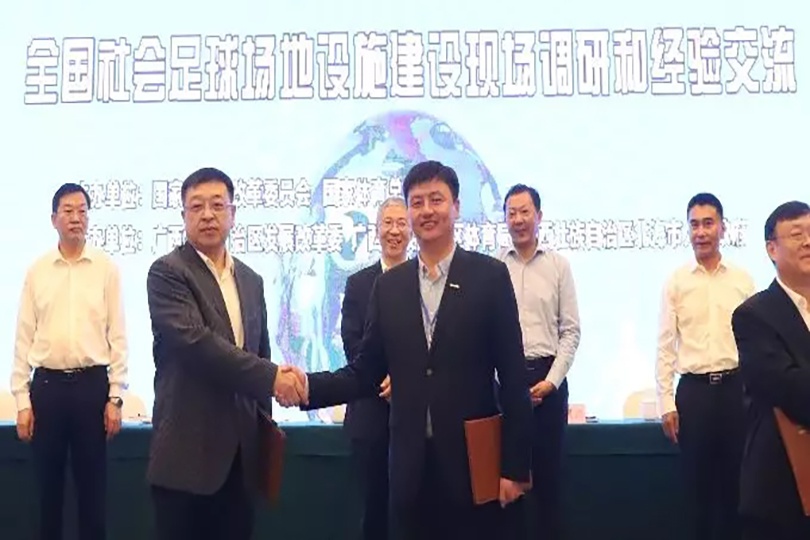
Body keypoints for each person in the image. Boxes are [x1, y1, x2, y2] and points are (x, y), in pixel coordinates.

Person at [280, 160, 533, 540]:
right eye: (417, 202)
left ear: (456, 207)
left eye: (436, 199)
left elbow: (513, 377)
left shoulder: (489, 277)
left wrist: (515, 468)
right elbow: (365, 372)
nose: (427, 210)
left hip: (472, 464)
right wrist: (308, 387)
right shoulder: (390, 287)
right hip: (409, 467)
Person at [145, 167, 304, 540]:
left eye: (217, 205)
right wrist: (273, 377)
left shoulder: (251, 280)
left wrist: (265, 427)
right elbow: (198, 345)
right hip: (186, 459)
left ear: (233, 213)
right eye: (196, 206)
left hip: (240, 461)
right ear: (183, 215)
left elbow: (259, 352)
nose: (207, 215)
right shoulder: (167, 273)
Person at [10, 182, 128, 540]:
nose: (76, 218)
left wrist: (116, 396)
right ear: (53, 219)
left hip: (92, 387)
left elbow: (118, 336)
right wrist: (22, 400)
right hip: (47, 388)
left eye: (82, 211)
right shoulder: (38, 271)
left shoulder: (106, 269)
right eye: (68, 211)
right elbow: (23, 337)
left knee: (92, 491)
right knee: (48, 492)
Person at [655, 193, 755, 540]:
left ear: (723, 228)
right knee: (697, 491)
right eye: (694, 225)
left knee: (737, 489)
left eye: (708, 223)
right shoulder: (676, 281)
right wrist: (666, 402)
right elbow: (665, 345)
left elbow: (755, 342)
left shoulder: (742, 280)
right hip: (694, 394)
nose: (700, 232)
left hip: (735, 391)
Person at [499, 184, 580, 540]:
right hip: (505, 384)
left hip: (549, 380)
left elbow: (571, 331)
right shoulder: (494, 267)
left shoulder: (558, 266)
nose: (518, 220)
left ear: (539, 216)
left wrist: (552, 381)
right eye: (511, 213)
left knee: (549, 485)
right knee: (508, 485)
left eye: (525, 212)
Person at [732, 201, 810, 540]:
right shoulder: (754, 314)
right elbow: (787, 386)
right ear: (771, 249)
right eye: (797, 234)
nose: (808, 242)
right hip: (784, 486)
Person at [341, 196, 412, 540]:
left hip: (417, 416)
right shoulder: (358, 284)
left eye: (401, 223)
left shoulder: (425, 279)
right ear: (376, 229)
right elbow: (352, 343)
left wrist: (406, 378)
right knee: (374, 512)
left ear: (411, 230)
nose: (394, 231)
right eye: (388, 223)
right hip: (370, 413)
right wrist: (384, 379)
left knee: (416, 513)